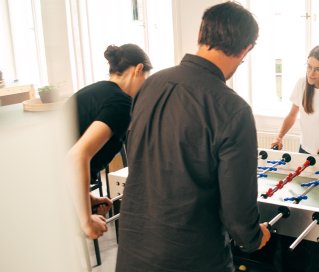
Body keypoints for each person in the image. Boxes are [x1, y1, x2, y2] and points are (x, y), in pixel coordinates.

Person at [115, 2, 271, 272]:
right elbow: (237, 210)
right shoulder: (233, 109)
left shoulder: (150, 85)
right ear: (247, 49)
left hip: (132, 250)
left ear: (202, 34)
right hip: (191, 258)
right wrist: (254, 238)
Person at [67, 43, 152, 239]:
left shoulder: (96, 91)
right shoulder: (120, 103)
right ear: (138, 69)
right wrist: (85, 220)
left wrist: (88, 199)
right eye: (145, 79)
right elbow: (77, 155)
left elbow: (66, 148)